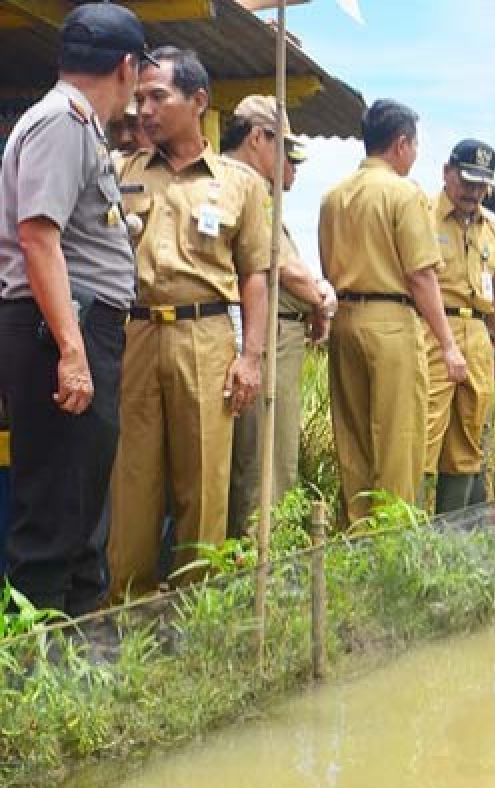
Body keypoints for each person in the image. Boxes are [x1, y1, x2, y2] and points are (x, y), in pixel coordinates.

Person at [106, 47, 274, 601]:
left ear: (198, 101)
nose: (144, 110)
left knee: (204, 481)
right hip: (135, 333)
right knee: (132, 478)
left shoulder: (241, 184)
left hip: (206, 338)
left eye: (159, 97)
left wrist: (251, 358)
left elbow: (255, 275)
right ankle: (127, 606)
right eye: (140, 98)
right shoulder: (119, 171)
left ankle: (196, 609)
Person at [0, 3, 148, 614]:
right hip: (58, 330)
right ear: (126, 67)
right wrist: (72, 351)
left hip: (72, 326)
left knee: (80, 510)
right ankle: (39, 684)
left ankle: (80, 664)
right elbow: (38, 236)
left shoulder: (77, 125)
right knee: (54, 519)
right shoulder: (62, 122)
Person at [319, 100, 466, 521]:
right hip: (391, 322)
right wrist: (449, 345)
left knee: (353, 436)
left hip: (344, 318)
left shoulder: (333, 197)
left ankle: (358, 533)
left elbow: (328, 267)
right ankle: (393, 539)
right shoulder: (405, 194)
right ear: (401, 144)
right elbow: (421, 276)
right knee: (399, 437)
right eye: (415, 145)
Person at [222, 95, 338, 537]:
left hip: (276, 334)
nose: (288, 165)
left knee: (268, 456)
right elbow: (284, 267)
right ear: (257, 138)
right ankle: (259, 559)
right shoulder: (244, 185)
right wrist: (320, 300)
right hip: (265, 337)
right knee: (264, 460)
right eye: (282, 149)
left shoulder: (254, 190)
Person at [425, 139, 495, 513]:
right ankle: (409, 540)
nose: (473, 193)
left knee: (469, 435)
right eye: (467, 182)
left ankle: (452, 539)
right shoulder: (423, 214)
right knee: (422, 434)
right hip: (432, 328)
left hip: (477, 333)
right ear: (447, 172)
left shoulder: (492, 227)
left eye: (482, 186)